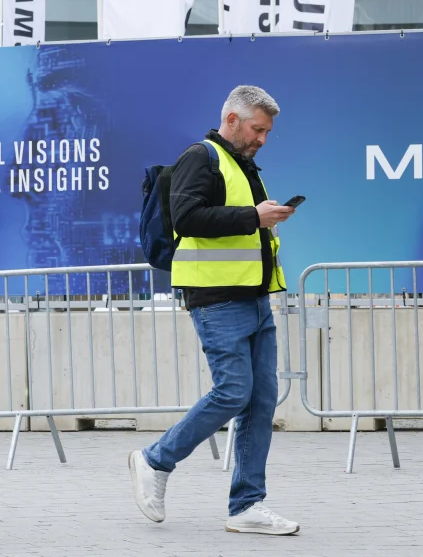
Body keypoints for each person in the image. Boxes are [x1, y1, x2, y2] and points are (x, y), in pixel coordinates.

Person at [128, 85, 301, 536]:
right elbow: (186, 218)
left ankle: (247, 506)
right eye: (257, 129)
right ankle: (153, 460)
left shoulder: (242, 164)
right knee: (232, 393)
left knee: (260, 402)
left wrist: (264, 218)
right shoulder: (200, 157)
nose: (263, 138)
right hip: (217, 298)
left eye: (267, 131)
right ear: (231, 119)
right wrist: (253, 217)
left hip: (254, 297)